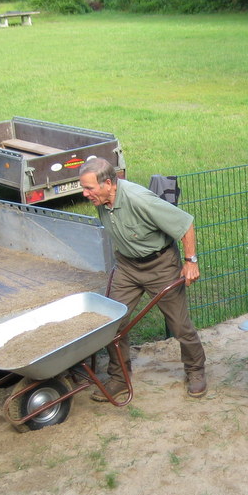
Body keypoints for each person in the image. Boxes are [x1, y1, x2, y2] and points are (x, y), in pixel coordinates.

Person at [79, 157, 207, 401]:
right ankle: (119, 378)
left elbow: (185, 223)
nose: (85, 194)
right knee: (112, 323)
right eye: (83, 188)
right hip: (127, 267)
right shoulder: (102, 197)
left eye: (89, 188)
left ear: (108, 184)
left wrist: (191, 261)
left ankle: (195, 370)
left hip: (160, 266)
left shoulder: (139, 199)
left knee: (180, 326)